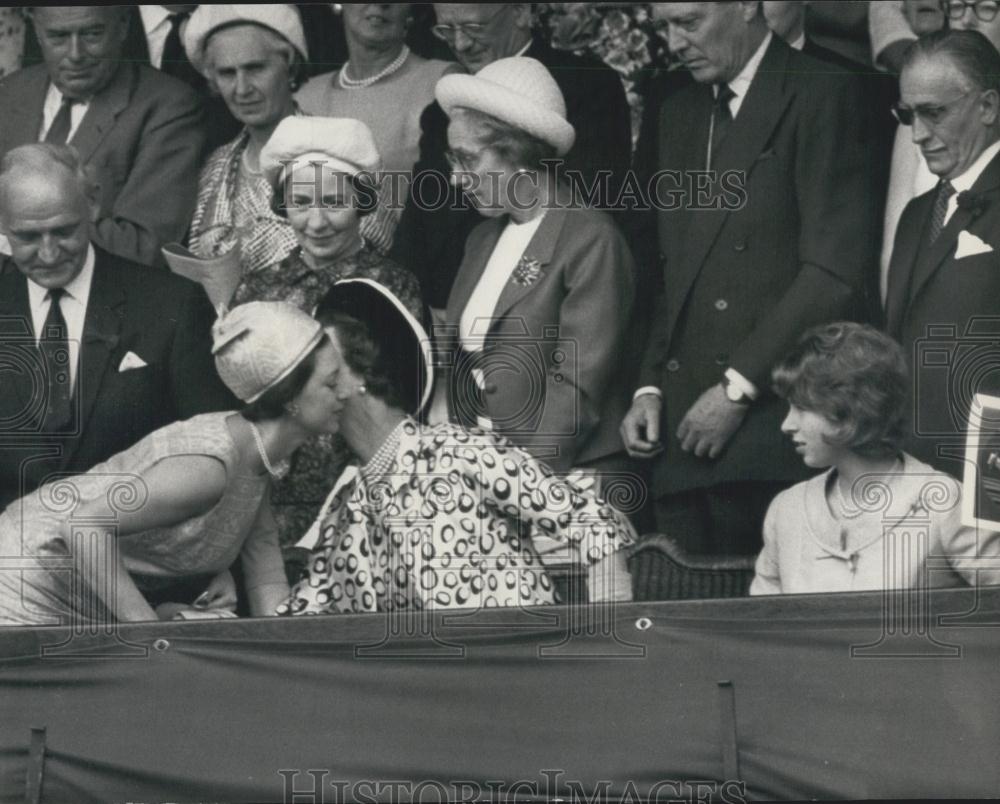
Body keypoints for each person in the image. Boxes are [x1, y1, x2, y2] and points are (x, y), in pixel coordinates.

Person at [622, 2, 879, 556]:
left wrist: (738, 387)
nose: (674, 41)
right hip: (681, 434)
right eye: (664, 26)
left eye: (688, 22)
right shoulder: (680, 110)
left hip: (775, 435)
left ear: (746, 6)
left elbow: (834, 271)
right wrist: (648, 386)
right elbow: (672, 269)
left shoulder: (826, 91)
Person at [279, 278, 635, 615]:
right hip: (436, 679)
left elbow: (594, 522)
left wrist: (604, 634)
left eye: (316, 369)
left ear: (357, 377)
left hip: (525, 667)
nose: (298, 386)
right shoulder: (346, 509)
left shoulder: (458, 452)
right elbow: (298, 622)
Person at [0, 300, 347, 626]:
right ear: (290, 399)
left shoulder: (256, 458)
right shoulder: (208, 468)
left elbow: (265, 576)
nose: (347, 391)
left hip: (76, 602)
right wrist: (153, 640)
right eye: (332, 382)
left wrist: (286, 660)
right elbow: (85, 526)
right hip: (21, 583)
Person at [0, 143, 234, 512]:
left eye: (63, 231)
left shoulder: (173, 303)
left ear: (93, 205)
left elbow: (215, 452)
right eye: (27, 237)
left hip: (138, 553)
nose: (48, 253)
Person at [437, 57, 636, 478]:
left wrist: (525, 483)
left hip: (569, 475)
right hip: (490, 473)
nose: (455, 178)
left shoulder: (590, 239)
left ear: (521, 152)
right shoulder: (481, 239)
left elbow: (577, 385)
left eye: (467, 159)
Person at [247, 115, 425, 542]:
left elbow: (407, 400)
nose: (317, 221)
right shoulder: (260, 288)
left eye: (334, 202)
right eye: (302, 202)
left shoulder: (392, 287)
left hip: (365, 497)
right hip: (271, 505)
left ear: (362, 202)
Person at [390, 3, 632, 313]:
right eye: (446, 30)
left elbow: (589, 209)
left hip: (539, 312)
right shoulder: (442, 113)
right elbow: (418, 222)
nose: (460, 44)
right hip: (442, 320)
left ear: (520, 12)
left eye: (473, 28)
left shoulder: (587, 85)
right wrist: (407, 308)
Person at [750, 322, 1000, 595]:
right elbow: (760, 628)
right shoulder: (787, 509)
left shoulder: (943, 502)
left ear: (851, 407)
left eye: (800, 407)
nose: (786, 425)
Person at [0, 5, 206, 268]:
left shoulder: (169, 107)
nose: (75, 54)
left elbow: (143, 247)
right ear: (37, 32)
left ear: (123, 26)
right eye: (58, 37)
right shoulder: (10, 93)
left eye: (92, 34)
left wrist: (15, 231)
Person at [884, 29, 1000, 478]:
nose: (917, 134)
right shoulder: (916, 215)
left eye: (934, 113)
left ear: (987, 106)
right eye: (907, 114)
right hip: (911, 475)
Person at [295, 4, 459, 253]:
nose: (381, 3)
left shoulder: (441, 82)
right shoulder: (306, 97)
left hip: (399, 270)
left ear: (412, 11)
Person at [184, 4, 307, 279]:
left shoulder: (335, 156)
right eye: (227, 73)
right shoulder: (214, 166)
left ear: (289, 65)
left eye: (255, 68)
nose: (242, 89)